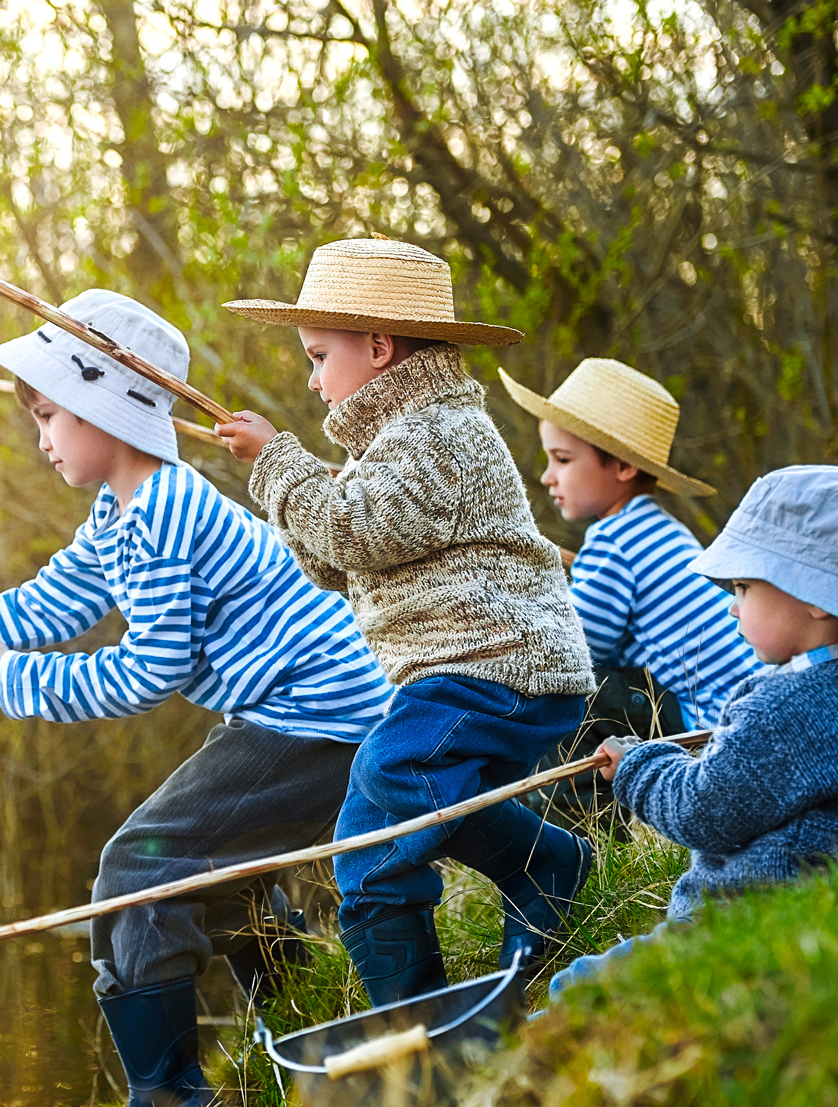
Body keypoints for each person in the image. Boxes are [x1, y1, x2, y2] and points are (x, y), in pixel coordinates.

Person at [0, 289, 392, 1107]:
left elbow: (148, 671)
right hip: (295, 712)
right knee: (212, 873)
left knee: (137, 868)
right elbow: (29, 611)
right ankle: (306, 1039)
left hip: (323, 716)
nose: (41, 439)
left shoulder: (163, 513)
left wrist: (17, 679)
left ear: (103, 407)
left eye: (48, 416)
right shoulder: (121, 515)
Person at [217, 238, 595, 1007]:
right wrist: (289, 485)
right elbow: (339, 564)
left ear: (378, 348)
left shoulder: (436, 433)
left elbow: (354, 533)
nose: (313, 380)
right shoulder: (397, 440)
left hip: (498, 666)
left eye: (318, 357)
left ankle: (417, 1022)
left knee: (380, 806)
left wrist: (281, 466)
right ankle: (543, 866)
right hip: (471, 672)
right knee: (419, 797)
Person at [547, 465, 838, 999]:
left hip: (739, 918)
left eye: (745, 587)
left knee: (576, 989)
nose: (732, 605)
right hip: (833, 904)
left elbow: (703, 813)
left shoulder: (786, 707)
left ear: (816, 597)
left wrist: (637, 766)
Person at [504, 359, 758, 815]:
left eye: (562, 459)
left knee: (560, 694)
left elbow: (573, 651)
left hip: (709, 729)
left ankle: (583, 830)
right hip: (741, 716)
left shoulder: (614, 542)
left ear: (622, 466)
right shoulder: (661, 529)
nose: (546, 476)